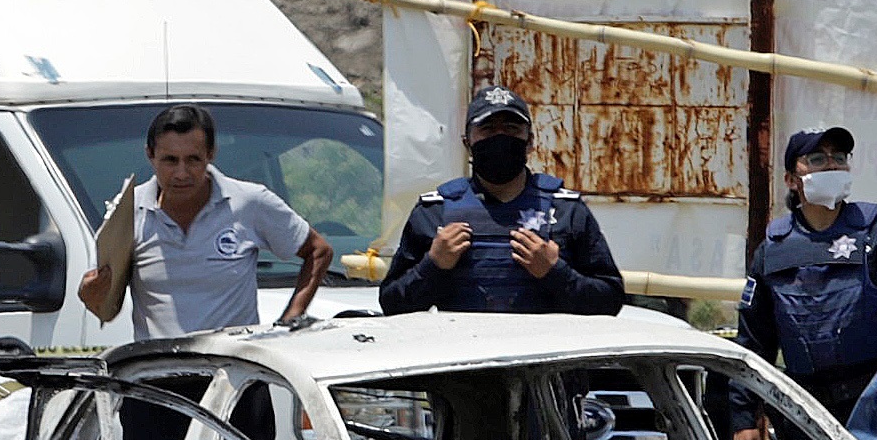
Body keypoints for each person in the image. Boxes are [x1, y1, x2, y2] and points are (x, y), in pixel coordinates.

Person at [734, 127, 877, 440]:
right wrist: (744, 419)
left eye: (839, 158)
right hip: (811, 415)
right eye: (818, 159)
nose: (831, 166)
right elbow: (753, 342)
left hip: (876, 412)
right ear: (793, 179)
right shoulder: (772, 250)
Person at [75, 103, 335, 339]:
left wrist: (291, 319)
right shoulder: (130, 211)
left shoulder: (249, 202)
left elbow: (318, 251)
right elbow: (100, 303)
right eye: (170, 160)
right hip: (156, 378)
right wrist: (92, 292)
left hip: (236, 376)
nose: (181, 173)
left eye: (193, 160)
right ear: (150, 155)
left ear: (211, 154)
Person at [380, 86, 624, 315]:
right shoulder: (434, 211)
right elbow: (392, 304)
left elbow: (610, 300)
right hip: (466, 355)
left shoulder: (566, 210)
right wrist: (433, 265)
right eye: (487, 129)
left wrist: (555, 272)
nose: (500, 137)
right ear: (468, 143)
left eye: (511, 128)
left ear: (530, 142)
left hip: (545, 355)